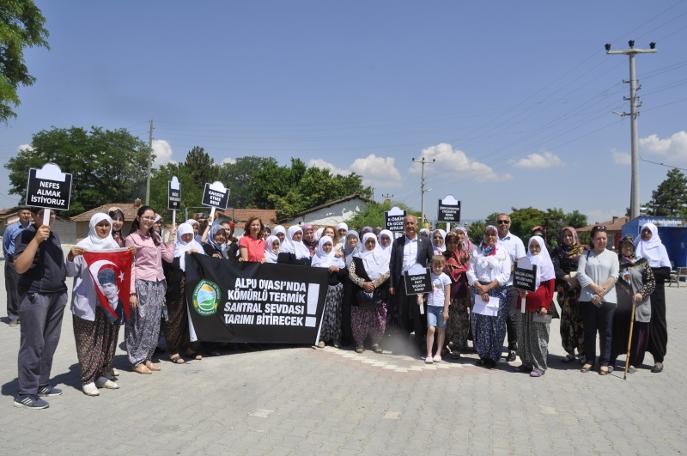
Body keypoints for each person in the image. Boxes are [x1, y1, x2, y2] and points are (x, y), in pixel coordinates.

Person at [66, 213, 131, 396]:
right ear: (93, 226)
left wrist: (129, 255)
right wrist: (71, 257)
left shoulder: (114, 246)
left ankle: (102, 374)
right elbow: (70, 272)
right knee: (87, 340)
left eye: (107, 225)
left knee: (107, 339)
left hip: (108, 302)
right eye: (100, 225)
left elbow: (120, 269)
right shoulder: (83, 246)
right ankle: (87, 378)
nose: (104, 228)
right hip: (87, 302)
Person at [12, 208, 66, 409]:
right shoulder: (25, 235)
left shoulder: (54, 236)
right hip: (35, 296)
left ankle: (41, 383)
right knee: (33, 344)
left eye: (52, 214)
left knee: (49, 343)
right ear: (35, 216)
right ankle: (25, 392)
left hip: (57, 295)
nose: (49, 217)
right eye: (44, 214)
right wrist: (35, 240)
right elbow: (19, 267)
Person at [126, 206, 176, 375]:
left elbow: (168, 257)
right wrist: (132, 292)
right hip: (141, 283)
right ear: (139, 218)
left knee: (154, 323)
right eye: (146, 217)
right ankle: (136, 359)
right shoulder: (131, 239)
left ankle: (147, 356)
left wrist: (171, 239)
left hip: (158, 282)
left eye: (152, 217)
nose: (149, 220)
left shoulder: (155, 238)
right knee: (140, 322)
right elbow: (130, 265)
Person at [466, 225, 511, 368]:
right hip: (479, 290)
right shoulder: (477, 252)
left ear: (497, 236)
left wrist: (489, 287)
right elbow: (470, 271)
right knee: (479, 323)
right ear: (484, 236)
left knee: (496, 324)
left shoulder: (503, 253)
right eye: (488, 234)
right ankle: (483, 355)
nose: (490, 237)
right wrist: (480, 287)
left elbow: (505, 274)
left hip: (497, 290)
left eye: (493, 234)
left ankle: (493, 356)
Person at [577, 226, 619, 375]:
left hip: (608, 300)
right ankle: (589, 360)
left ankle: (604, 361)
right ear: (592, 239)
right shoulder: (586, 254)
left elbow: (614, 275)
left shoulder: (613, 256)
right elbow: (580, 274)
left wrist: (602, 292)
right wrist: (595, 289)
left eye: (604, 238)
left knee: (606, 332)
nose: (601, 241)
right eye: (598, 238)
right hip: (588, 299)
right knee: (589, 332)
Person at [389, 215, 434, 352]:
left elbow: (431, 261)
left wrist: (427, 280)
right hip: (402, 281)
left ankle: (419, 343)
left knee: (418, 313)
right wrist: (391, 284)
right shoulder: (397, 242)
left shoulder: (425, 242)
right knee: (401, 313)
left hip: (418, 281)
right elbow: (392, 265)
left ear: (416, 225)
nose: (409, 226)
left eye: (412, 223)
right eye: (407, 223)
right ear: (404, 225)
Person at [610, 236, 655, 373]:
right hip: (620, 306)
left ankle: (634, 363)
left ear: (633, 248)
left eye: (630, 246)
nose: (627, 248)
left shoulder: (641, 262)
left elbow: (651, 282)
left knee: (638, 334)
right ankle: (611, 360)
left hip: (638, 305)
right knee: (616, 332)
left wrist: (641, 293)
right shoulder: (616, 261)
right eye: (625, 246)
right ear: (620, 247)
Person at [163, 223, 205, 365]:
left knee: (192, 319)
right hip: (176, 290)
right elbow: (168, 267)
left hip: (194, 289)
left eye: (189, 234)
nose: (187, 237)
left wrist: (197, 256)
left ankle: (189, 347)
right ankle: (173, 350)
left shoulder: (198, 247)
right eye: (184, 234)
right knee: (176, 318)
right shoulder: (174, 249)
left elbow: (206, 266)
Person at [634, 222, 671, 373]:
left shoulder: (660, 248)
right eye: (644, 231)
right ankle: (636, 358)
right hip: (639, 291)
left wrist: (647, 272)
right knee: (640, 323)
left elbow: (666, 272)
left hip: (656, 294)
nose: (646, 234)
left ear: (654, 233)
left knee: (657, 324)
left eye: (649, 232)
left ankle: (658, 359)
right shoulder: (637, 246)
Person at [517, 236, 556, 377]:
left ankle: (540, 366)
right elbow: (520, 281)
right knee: (523, 334)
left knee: (540, 337)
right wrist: (520, 291)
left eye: (537, 246)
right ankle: (526, 362)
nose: (533, 249)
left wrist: (545, 305)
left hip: (540, 307)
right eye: (531, 246)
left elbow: (550, 288)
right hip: (523, 304)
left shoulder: (546, 263)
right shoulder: (524, 261)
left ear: (542, 247)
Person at [349, 233, 390, 353]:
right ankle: (359, 343)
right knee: (359, 320)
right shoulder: (357, 257)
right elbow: (351, 273)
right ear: (364, 242)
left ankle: (375, 343)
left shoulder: (382, 256)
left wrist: (375, 284)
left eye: (372, 241)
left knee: (378, 319)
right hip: (360, 293)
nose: (370, 244)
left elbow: (387, 272)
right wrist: (363, 284)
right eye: (368, 242)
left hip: (378, 292)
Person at [495, 213, 526, 362]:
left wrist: (507, 270)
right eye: (500, 221)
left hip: (511, 285)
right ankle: (495, 346)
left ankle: (512, 348)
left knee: (511, 317)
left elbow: (522, 263)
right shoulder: (491, 239)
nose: (503, 224)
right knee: (496, 317)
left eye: (505, 221)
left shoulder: (516, 242)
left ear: (510, 223)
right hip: (495, 286)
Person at [551, 227, 585, 363]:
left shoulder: (583, 251)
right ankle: (570, 352)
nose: (567, 238)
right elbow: (554, 267)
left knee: (580, 322)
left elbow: (587, 268)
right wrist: (566, 277)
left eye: (570, 236)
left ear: (574, 236)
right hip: (564, 292)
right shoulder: (557, 251)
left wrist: (577, 279)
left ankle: (583, 353)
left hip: (580, 291)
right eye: (565, 236)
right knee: (566, 322)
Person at [311, 236, 347, 348]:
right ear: (321, 246)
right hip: (322, 291)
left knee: (336, 314)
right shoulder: (316, 258)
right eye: (325, 245)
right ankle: (322, 338)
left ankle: (336, 338)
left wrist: (337, 269)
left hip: (335, 290)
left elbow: (344, 273)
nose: (327, 247)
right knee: (323, 315)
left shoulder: (337, 258)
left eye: (329, 245)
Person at [443, 229, 472, 359]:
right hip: (447, 294)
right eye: (449, 242)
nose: (452, 245)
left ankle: (459, 346)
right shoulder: (442, 256)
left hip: (462, 292)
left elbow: (469, 274)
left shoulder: (464, 256)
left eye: (455, 242)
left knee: (462, 321)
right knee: (449, 321)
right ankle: (447, 344)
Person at [3, 207, 32, 326]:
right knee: (13, 290)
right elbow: (5, 245)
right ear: (19, 215)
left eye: (28, 213)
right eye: (24, 213)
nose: (26, 215)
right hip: (13, 262)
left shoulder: (33, 228)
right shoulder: (11, 228)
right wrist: (11, 260)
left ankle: (26, 315)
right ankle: (13, 316)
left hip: (30, 262)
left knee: (29, 289)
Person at [424, 255, 451, 364]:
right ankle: (429, 353)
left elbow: (448, 294)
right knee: (431, 329)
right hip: (430, 306)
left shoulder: (445, 278)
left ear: (443, 266)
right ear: (432, 266)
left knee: (441, 329)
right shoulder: (429, 276)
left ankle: (438, 353)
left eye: (440, 266)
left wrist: (446, 310)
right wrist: (422, 298)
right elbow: (426, 291)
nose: (437, 268)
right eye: (435, 266)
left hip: (441, 307)